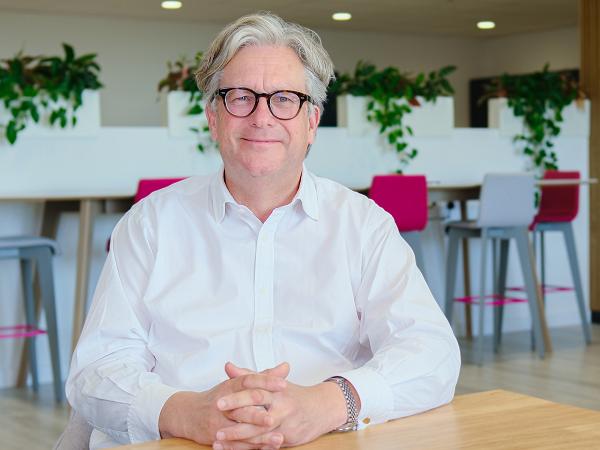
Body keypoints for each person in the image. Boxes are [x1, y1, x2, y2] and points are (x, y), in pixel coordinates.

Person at [66, 12, 461, 450]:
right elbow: (96, 370)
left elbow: (432, 352)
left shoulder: (364, 225)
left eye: (284, 99)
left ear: (312, 122)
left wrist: (329, 403)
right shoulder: (149, 224)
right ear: (213, 117)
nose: (261, 117)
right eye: (241, 97)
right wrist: (186, 413)